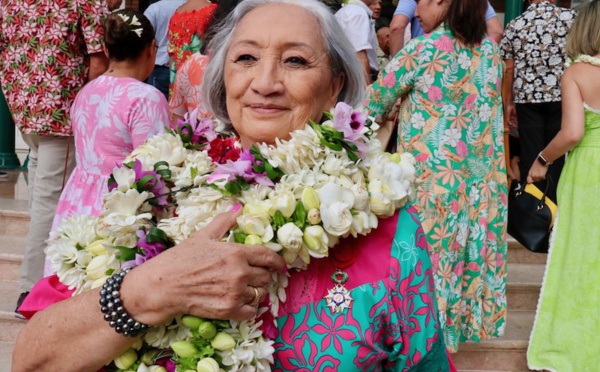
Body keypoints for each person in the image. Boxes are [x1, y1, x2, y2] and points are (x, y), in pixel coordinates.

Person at [12, 1, 450, 370]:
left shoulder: (389, 232)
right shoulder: (156, 193)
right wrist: (148, 291)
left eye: (295, 60)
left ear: (335, 85)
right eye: (245, 58)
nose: (265, 83)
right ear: (224, 80)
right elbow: (32, 359)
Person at [364, 0, 507, 353]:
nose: (415, 11)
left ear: (443, 2)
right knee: (461, 261)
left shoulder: (424, 48)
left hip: (432, 182)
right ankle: (449, 342)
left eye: (422, 1)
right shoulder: (490, 52)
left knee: (427, 266)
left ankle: (425, 349)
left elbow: (373, 103)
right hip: (479, 182)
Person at [40, 10, 171, 276]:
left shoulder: (87, 92)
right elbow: (156, 165)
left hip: (78, 197)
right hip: (120, 204)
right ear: (150, 49)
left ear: (107, 50)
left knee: (76, 273)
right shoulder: (146, 97)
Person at [0, 0, 109, 315]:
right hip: (62, 115)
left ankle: (37, 282)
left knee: (40, 200)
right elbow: (99, 63)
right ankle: (32, 287)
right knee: (49, 204)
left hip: (27, 109)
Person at [526, 1, 600, 370]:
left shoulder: (577, 73)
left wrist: (541, 160)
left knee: (580, 255)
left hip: (589, 173)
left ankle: (577, 348)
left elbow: (572, 132)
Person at [500, 0, 576, 203]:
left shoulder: (515, 24)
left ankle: (533, 214)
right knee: (556, 155)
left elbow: (508, 68)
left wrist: (508, 102)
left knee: (531, 155)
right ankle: (554, 212)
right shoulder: (571, 19)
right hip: (563, 96)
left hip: (527, 98)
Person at [169, 0, 242, 122]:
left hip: (183, 74)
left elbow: (172, 52)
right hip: (208, 71)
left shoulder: (178, 12)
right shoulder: (211, 11)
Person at [388, 0, 503, 57]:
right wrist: (475, 57)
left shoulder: (418, 48)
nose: (416, 13)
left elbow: (397, 27)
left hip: (422, 61)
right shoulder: (491, 52)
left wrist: (397, 68)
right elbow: (496, 31)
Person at [166, 0, 217, 90]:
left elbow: (172, 54)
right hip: (201, 81)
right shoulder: (212, 11)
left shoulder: (178, 13)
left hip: (178, 81)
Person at [144, 0, 187, 98]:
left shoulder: (154, 9)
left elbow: (143, 39)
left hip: (159, 68)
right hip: (183, 67)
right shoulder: (190, 6)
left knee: (155, 106)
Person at [334, 0, 380, 84]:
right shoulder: (357, 13)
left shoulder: (348, 11)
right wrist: (367, 93)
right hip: (356, 81)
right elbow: (359, 57)